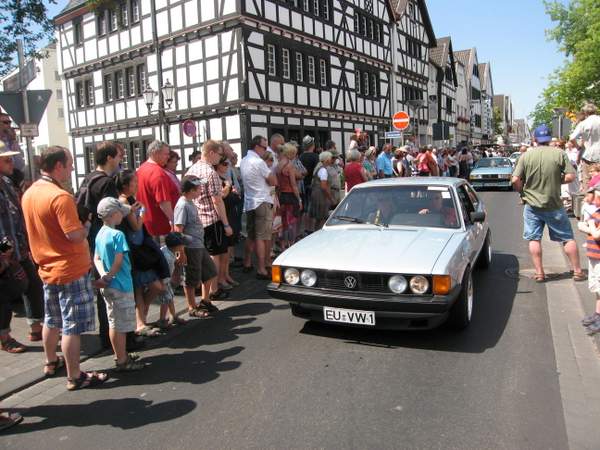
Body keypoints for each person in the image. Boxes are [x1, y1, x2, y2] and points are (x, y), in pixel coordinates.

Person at [22, 146, 108, 390]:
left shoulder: (30, 193)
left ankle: (51, 361)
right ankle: (75, 376)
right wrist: (86, 225)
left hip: (47, 267)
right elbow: (74, 235)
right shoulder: (60, 196)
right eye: (69, 164)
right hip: (69, 268)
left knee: (52, 320)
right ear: (58, 165)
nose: (72, 168)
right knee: (72, 326)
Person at [512, 125, 585, 283]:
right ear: (549, 138)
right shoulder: (559, 153)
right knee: (567, 238)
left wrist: (522, 193)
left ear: (535, 139)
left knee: (534, 238)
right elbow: (571, 176)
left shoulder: (526, 156)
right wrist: (556, 181)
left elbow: (515, 179)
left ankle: (540, 273)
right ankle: (578, 271)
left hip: (532, 205)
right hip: (554, 204)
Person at [76, 141, 122, 350]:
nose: (120, 160)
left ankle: (107, 336)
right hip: (107, 241)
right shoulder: (106, 183)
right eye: (118, 156)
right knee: (112, 289)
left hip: (92, 240)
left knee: (103, 288)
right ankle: (115, 339)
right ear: (109, 158)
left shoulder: (88, 179)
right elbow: (112, 215)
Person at [0, 143, 44, 353]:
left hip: (18, 248)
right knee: (4, 296)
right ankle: (4, 338)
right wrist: (4, 251)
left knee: (33, 285)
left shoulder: (7, 183)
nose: (12, 163)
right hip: (5, 253)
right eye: (7, 160)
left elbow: (16, 216)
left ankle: (36, 328)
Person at [94, 197, 144, 372]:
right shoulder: (118, 235)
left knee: (113, 321)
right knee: (121, 325)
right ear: (113, 214)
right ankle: (122, 360)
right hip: (121, 284)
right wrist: (109, 276)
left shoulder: (100, 233)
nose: (122, 215)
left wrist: (103, 276)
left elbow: (96, 258)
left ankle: (120, 355)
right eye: (120, 213)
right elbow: (118, 260)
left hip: (108, 286)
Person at [114, 170, 166, 338]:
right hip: (135, 250)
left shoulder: (130, 200)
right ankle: (140, 321)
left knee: (145, 287)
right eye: (133, 182)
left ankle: (141, 318)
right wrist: (142, 212)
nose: (136, 185)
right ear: (125, 185)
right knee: (148, 286)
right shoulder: (124, 201)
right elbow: (135, 226)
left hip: (139, 246)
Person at [185, 140, 232, 300]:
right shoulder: (211, 173)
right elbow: (217, 200)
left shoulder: (192, 169)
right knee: (214, 255)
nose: (220, 158)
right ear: (211, 153)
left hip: (197, 220)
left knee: (203, 255)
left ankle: (206, 288)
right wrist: (226, 224)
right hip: (212, 220)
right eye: (219, 154)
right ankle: (214, 289)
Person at [174, 175, 219, 316]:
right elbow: (178, 229)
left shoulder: (190, 202)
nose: (201, 190)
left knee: (211, 271)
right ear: (191, 190)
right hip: (191, 247)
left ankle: (205, 301)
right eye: (199, 188)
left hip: (199, 244)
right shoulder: (182, 205)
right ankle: (192, 307)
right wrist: (181, 251)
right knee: (191, 279)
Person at [241, 136, 277, 279]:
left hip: (250, 202)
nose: (265, 150)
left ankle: (247, 262)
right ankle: (262, 268)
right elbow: (273, 181)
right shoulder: (259, 162)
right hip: (262, 201)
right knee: (263, 237)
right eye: (264, 147)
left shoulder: (244, 160)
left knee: (251, 235)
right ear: (257, 146)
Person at [136, 140, 179, 237]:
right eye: (166, 154)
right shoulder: (157, 173)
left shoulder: (141, 169)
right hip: (160, 227)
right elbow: (163, 202)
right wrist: (175, 221)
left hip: (146, 224)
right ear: (155, 153)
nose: (168, 157)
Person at [214, 155, 240, 287]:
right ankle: (221, 278)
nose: (227, 166)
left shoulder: (225, 179)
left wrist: (234, 192)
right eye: (224, 164)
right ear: (217, 165)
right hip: (223, 218)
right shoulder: (216, 179)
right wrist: (229, 187)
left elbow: (234, 196)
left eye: (228, 164)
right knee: (223, 251)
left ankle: (226, 275)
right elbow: (221, 196)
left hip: (231, 215)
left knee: (228, 249)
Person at [577, 186, 600, 334]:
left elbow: (597, 235)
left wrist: (588, 226)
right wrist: (587, 226)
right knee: (597, 287)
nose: (593, 200)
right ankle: (598, 314)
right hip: (594, 256)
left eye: (596, 196)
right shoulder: (597, 212)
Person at [156, 232, 188, 328]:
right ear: (177, 246)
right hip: (163, 281)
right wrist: (165, 284)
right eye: (182, 244)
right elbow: (166, 272)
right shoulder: (168, 258)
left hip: (163, 279)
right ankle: (162, 320)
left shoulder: (166, 250)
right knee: (166, 299)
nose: (183, 246)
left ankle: (173, 316)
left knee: (170, 297)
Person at [276, 142, 303, 250]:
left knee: (283, 223)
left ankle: (283, 246)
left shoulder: (278, 165)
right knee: (292, 222)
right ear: (290, 153)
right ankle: (291, 245)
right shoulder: (289, 166)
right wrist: (299, 199)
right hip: (290, 196)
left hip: (281, 196)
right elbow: (294, 185)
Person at [570, 102, 600, 189]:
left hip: (587, 155)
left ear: (585, 112)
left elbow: (572, 138)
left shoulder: (583, 123)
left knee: (587, 182)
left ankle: (588, 196)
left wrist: (578, 147)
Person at [310, 151, 336, 230]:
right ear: (327, 160)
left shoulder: (319, 167)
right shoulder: (323, 170)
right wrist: (330, 198)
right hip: (320, 195)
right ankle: (318, 232)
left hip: (317, 193)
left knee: (319, 218)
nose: (331, 160)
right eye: (330, 158)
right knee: (322, 217)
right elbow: (324, 186)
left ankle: (316, 231)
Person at [299, 135, 319, 234]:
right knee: (312, 208)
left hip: (302, 185)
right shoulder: (315, 157)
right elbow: (317, 172)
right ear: (312, 145)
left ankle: (304, 228)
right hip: (312, 185)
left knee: (305, 208)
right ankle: (311, 229)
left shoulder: (301, 156)